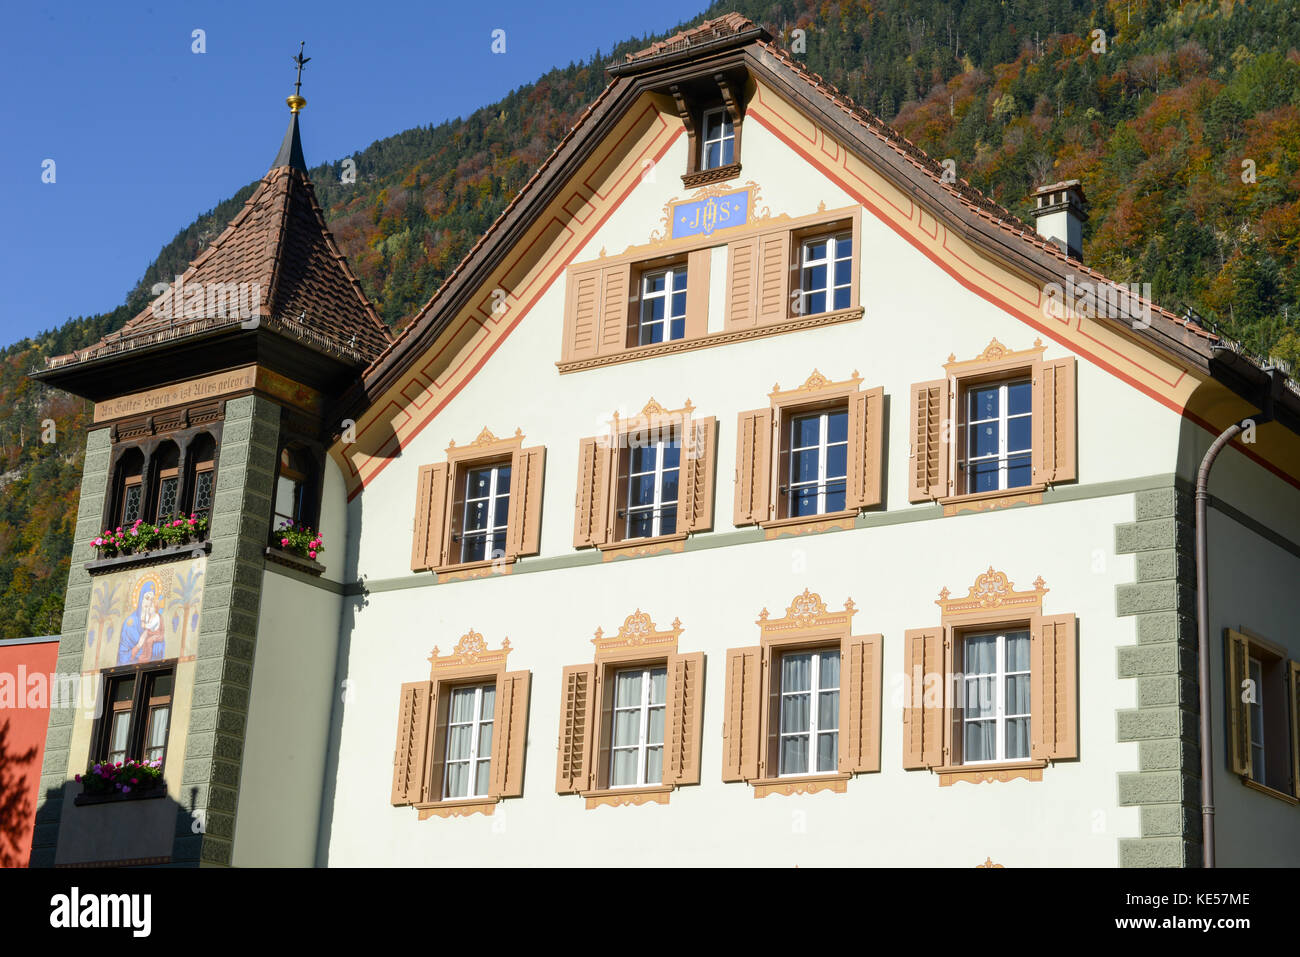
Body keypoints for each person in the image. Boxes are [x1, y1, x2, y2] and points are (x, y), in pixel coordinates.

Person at [118, 581, 165, 665]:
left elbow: (161, 649)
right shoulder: (130, 623)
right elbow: (122, 658)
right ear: (140, 599)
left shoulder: (156, 619)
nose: (149, 603)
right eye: (147, 598)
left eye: (152, 600)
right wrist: (139, 645)